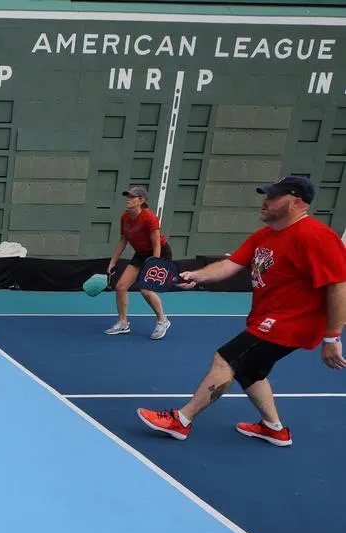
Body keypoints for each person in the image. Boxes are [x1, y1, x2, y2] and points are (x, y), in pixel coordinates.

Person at [138, 176, 346, 446]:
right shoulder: (265, 235)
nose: (265, 201)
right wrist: (196, 275)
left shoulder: (317, 237)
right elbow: (231, 265)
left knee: (226, 359)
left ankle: (182, 420)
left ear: (296, 203)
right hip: (267, 317)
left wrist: (332, 338)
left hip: (291, 322)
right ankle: (274, 428)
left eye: (272, 196)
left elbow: (338, 287)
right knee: (251, 371)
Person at [104, 187, 172, 339]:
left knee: (146, 289)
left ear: (141, 200)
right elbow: (123, 241)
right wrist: (112, 262)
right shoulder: (125, 218)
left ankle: (163, 320)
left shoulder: (149, 218)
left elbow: (156, 245)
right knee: (121, 287)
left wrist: (154, 266)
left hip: (159, 253)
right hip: (141, 254)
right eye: (127, 196)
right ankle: (123, 323)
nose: (128, 199)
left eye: (132, 197)